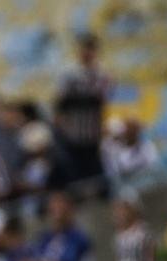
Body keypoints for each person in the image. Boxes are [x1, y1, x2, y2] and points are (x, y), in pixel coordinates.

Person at [54, 33, 111, 189]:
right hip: (72, 133)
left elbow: (100, 103)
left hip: (92, 133)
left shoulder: (102, 74)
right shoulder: (69, 73)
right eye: (84, 48)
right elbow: (62, 103)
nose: (87, 53)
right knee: (76, 174)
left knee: (94, 172)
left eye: (90, 49)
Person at [111, 192, 154, 261]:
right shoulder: (118, 236)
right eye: (117, 209)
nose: (119, 213)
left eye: (124, 208)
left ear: (134, 209)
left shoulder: (144, 234)